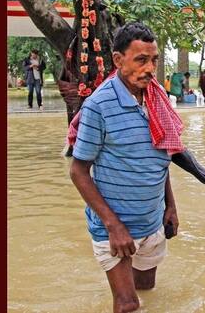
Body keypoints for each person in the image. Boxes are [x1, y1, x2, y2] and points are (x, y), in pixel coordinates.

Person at [70, 23, 180, 313]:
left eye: (154, 60)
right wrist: (113, 225)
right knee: (128, 304)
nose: (150, 68)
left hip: (153, 222)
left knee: (147, 290)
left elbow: (160, 157)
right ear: (119, 60)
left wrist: (171, 206)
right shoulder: (99, 105)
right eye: (141, 60)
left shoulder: (158, 99)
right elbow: (78, 171)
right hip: (114, 229)